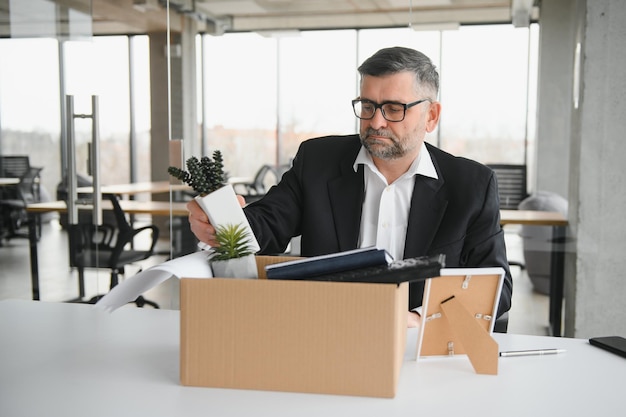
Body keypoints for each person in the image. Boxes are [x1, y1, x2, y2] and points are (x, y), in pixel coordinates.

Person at [186, 46, 513, 327]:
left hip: (416, 348)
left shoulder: (470, 185)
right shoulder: (318, 160)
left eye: (394, 109)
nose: (376, 122)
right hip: (325, 334)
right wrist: (223, 222)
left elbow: (496, 290)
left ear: (431, 116)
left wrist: (419, 318)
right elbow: (268, 223)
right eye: (368, 106)